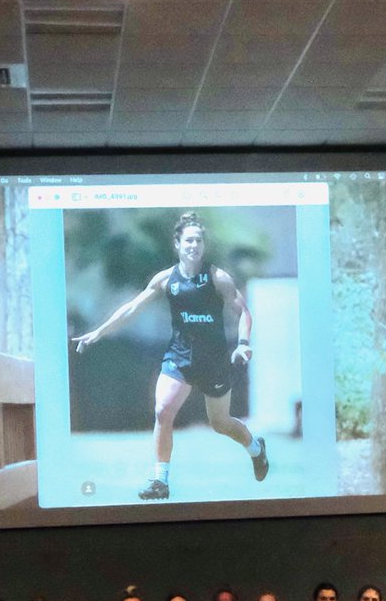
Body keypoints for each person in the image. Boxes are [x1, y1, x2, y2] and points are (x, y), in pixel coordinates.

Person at [72, 210, 268, 501]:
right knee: (163, 410)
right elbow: (131, 308)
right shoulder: (166, 279)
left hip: (213, 362)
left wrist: (242, 342)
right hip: (178, 358)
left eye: (199, 241)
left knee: (221, 424)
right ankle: (159, 481)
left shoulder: (218, 278)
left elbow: (243, 313)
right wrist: (98, 332)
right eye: (188, 240)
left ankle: (255, 448)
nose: (194, 245)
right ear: (177, 244)